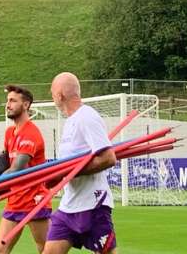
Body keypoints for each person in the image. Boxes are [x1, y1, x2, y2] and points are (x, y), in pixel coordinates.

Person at [43, 72, 118, 254]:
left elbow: (108, 158)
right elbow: (68, 167)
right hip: (69, 207)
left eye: (52, 92)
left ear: (60, 95)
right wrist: (56, 177)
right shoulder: (70, 122)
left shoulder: (87, 117)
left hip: (93, 206)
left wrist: (70, 173)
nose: (52, 96)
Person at [0, 85, 51, 254]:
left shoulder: (31, 134)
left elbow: (16, 169)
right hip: (15, 199)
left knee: (46, 249)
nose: (8, 105)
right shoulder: (9, 132)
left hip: (34, 200)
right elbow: (4, 163)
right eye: (7, 101)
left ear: (26, 105)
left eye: (13, 101)